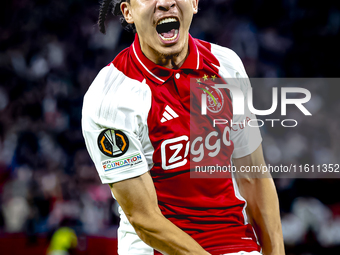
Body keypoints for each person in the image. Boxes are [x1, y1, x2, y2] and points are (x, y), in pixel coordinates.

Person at [82, 0, 285, 254]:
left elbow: (254, 176)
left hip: (233, 241)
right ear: (128, 12)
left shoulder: (226, 65)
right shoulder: (111, 98)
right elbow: (144, 220)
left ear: (194, 3)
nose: (165, 3)